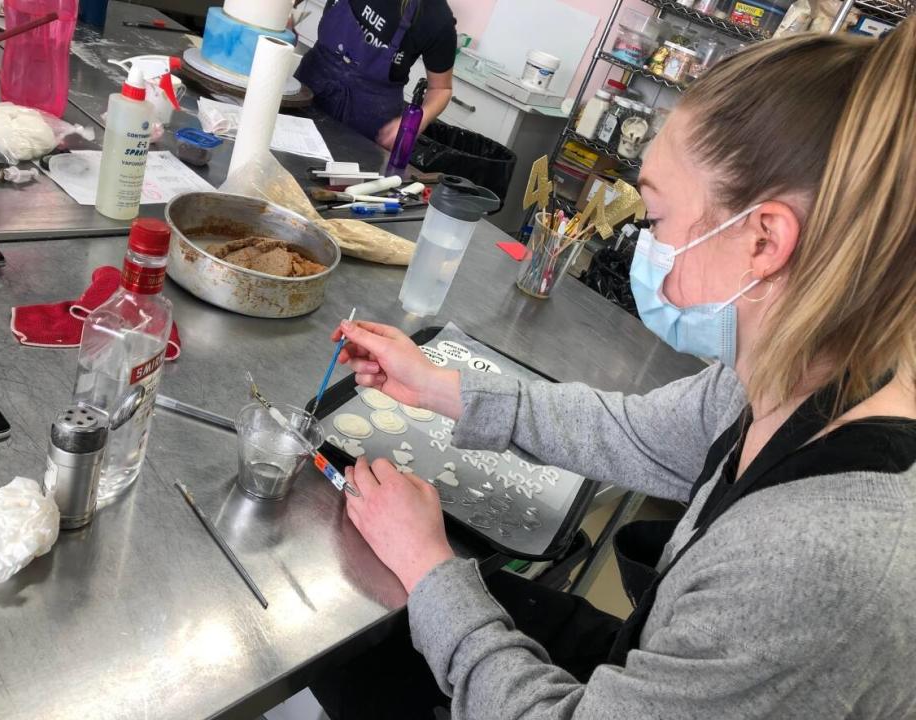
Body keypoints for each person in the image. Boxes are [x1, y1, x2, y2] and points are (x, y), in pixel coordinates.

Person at [310, 21, 916, 720]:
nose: (646, 246)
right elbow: (632, 433)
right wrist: (438, 387)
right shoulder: (794, 376)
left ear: (764, 239)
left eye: (655, 219)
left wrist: (428, 566)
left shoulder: (816, 565)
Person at [295, 0, 456, 148]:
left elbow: (441, 89)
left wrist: (413, 124)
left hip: (367, 122)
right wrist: (281, 13)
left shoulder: (437, 17)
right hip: (308, 88)